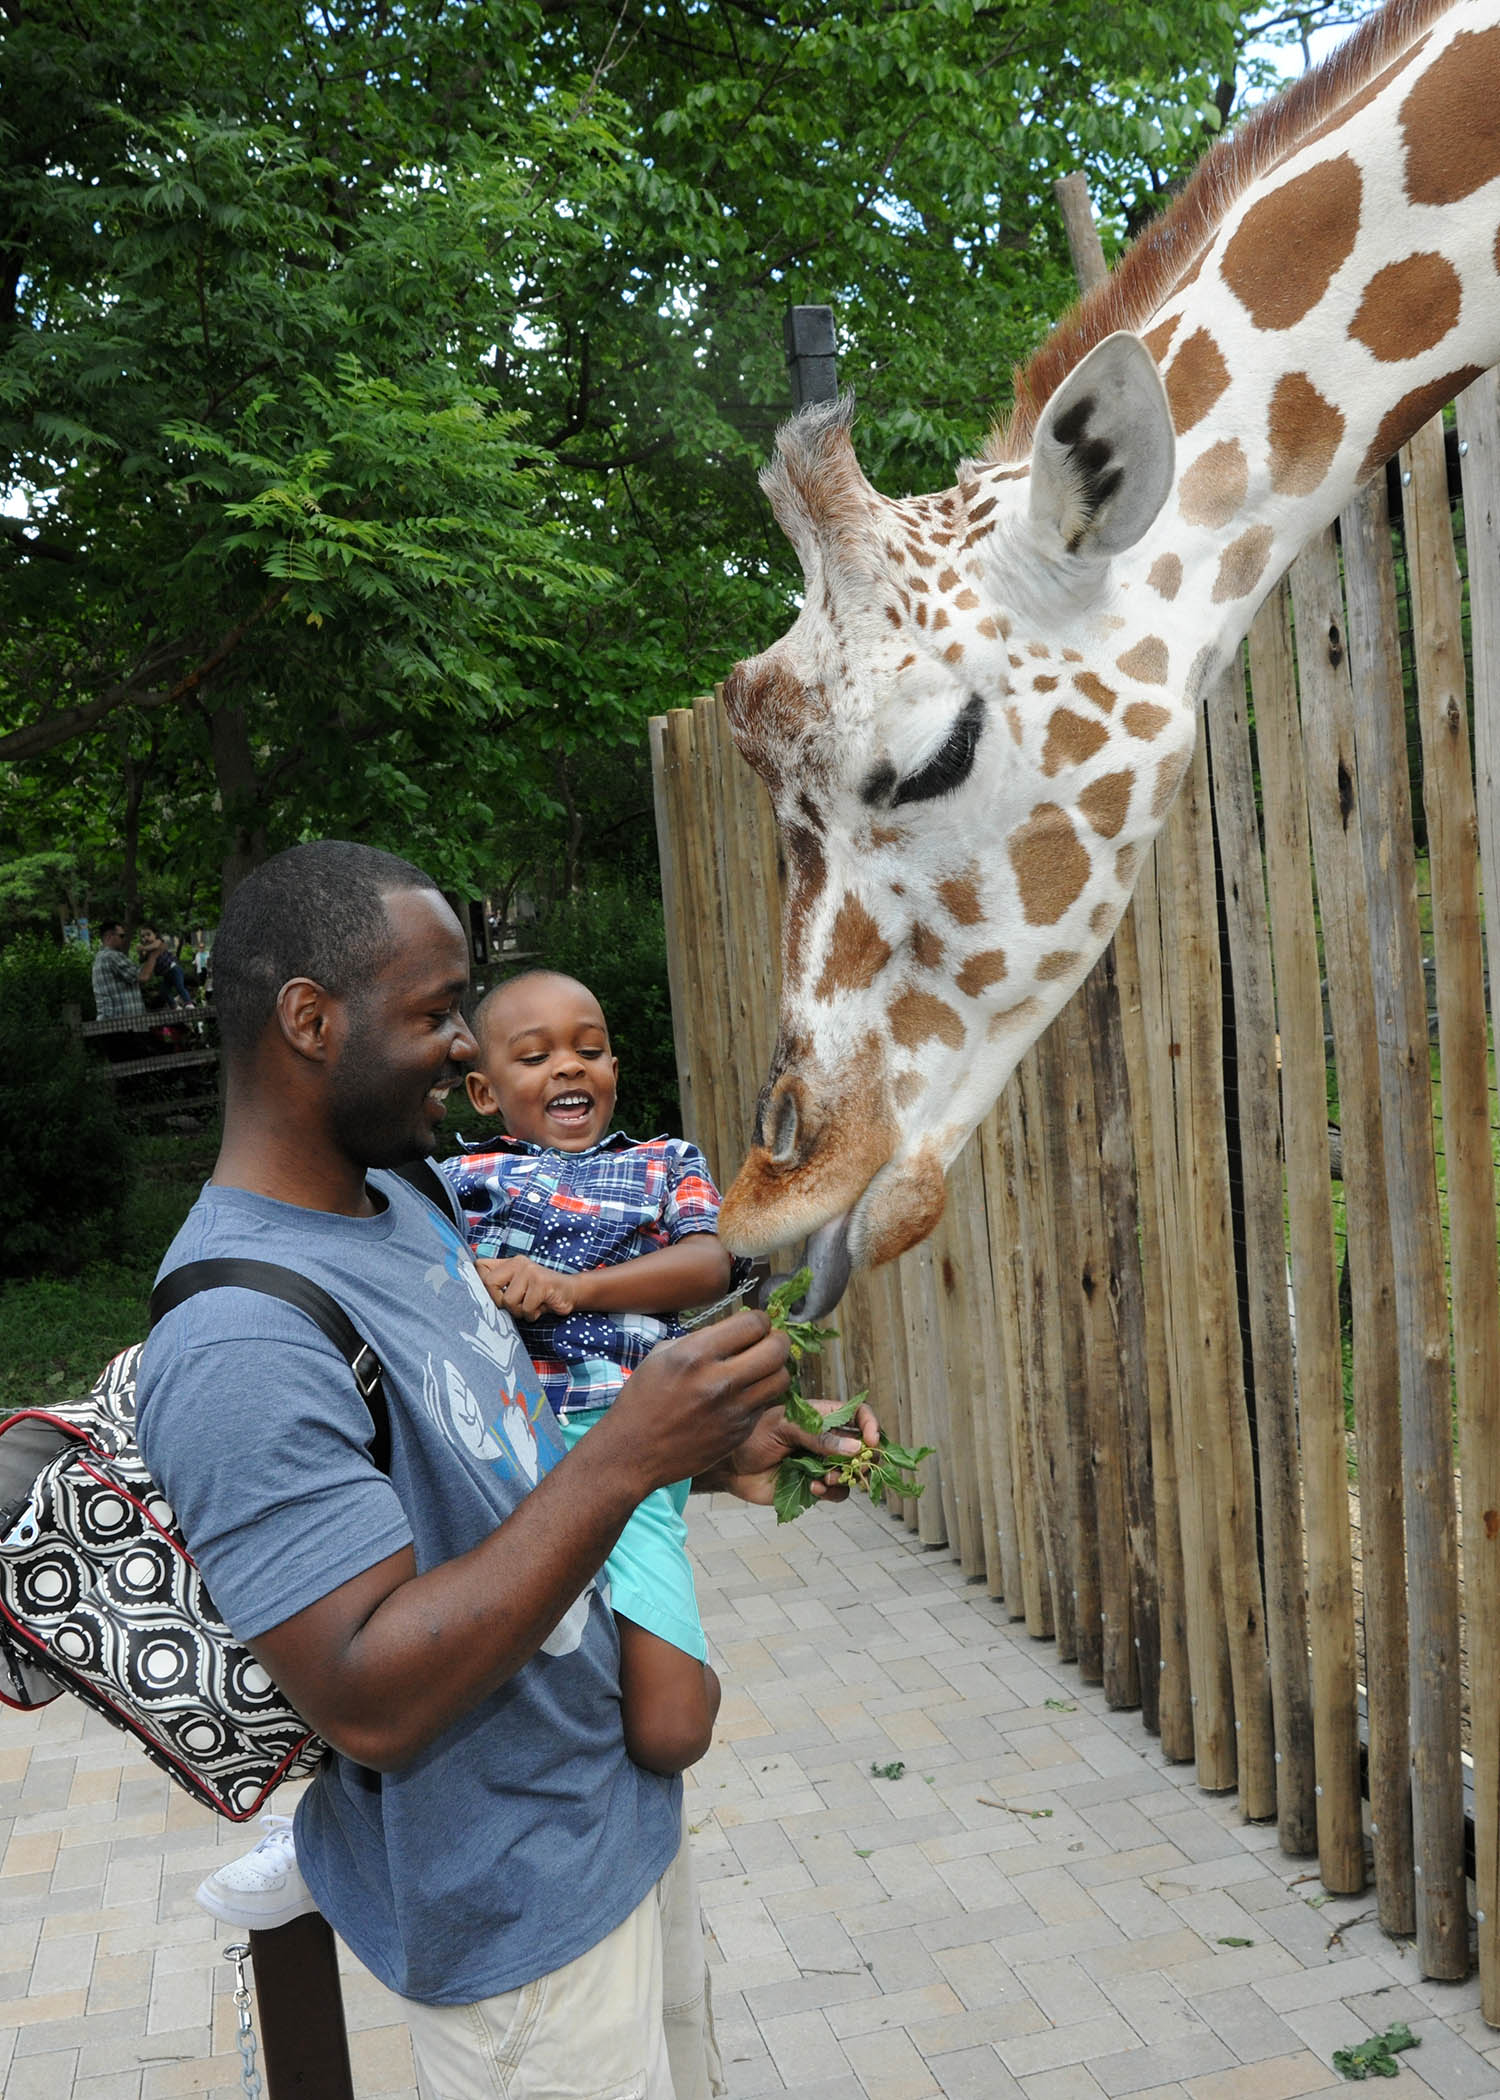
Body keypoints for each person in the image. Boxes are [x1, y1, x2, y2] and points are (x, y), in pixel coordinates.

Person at [139, 839, 876, 2099]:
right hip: (515, 1921)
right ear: (311, 1021)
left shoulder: (407, 1204)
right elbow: (365, 1695)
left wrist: (706, 1454)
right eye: (437, 1014)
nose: (472, 1051)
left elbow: (505, 1466)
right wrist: (629, 1453)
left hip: (610, 1824)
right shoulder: (236, 1338)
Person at [443, 970, 734, 1776]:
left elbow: (710, 1263)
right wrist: (482, 1277)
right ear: (483, 1090)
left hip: (632, 1448)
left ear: (613, 1070)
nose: (569, 1067)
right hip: (503, 1456)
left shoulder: (662, 1163)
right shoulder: (456, 1186)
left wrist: (573, 1290)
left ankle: (670, 1668)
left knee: (673, 1736)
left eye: (590, 1050)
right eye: (535, 1057)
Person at [90, 920, 164, 1060]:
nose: (124, 939)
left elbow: (135, 977)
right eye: (121, 935)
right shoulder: (112, 956)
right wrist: (154, 955)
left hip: (115, 1027)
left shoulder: (101, 957)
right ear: (109, 937)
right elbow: (143, 977)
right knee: (138, 1069)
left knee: (126, 1072)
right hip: (123, 1027)